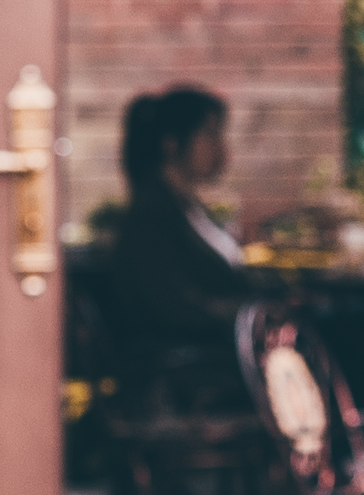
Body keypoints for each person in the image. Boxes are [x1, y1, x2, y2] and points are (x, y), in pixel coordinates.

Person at [86, 86, 249, 398]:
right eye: (210, 134)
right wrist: (242, 312)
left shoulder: (186, 207)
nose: (221, 147)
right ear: (171, 143)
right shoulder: (151, 215)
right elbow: (173, 308)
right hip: (189, 371)